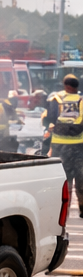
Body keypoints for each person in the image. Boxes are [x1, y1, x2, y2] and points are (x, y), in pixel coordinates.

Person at [46, 73, 83, 215]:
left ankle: (63, 208)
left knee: (63, 178)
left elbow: (50, 118)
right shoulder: (81, 100)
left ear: (66, 86)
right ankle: (82, 206)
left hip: (59, 145)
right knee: (81, 177)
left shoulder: (56, 98)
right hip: (79, 144)